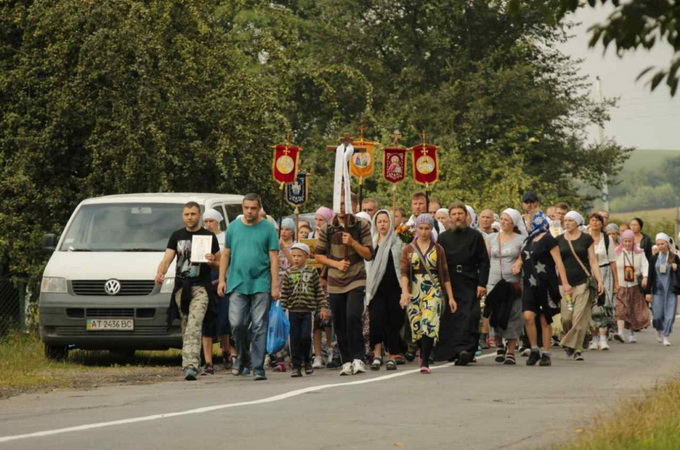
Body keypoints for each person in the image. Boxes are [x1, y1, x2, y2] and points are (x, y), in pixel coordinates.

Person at [217, 193, 280, 381]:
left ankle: (258, 366)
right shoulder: (234, 228)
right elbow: (226, 254)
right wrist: (222, 280)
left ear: (259, 208)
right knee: (237, 324)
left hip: (261, 282)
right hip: (237, 282)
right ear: (242, 208)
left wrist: (275, 285)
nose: (250, 211)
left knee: (259, 325)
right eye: (246, 208)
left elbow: (274, 258)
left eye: (253, 208)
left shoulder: (268, 228)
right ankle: (243, 357)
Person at [155, 202, 220, 381]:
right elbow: (167, 258)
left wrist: (212, 261)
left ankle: (190, 366)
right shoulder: (177, 235)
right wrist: (160, 271)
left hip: (201, 287)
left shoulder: (208, 236)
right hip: (182, 287)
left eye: (193, 214)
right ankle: (190, 363)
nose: (189, 217)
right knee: (185, 326)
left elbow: (220, 263)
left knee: (194, 324)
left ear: (199, 215)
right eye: (186, 214)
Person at [315, 192, 373, 376]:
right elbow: (318, 254)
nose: (341, 208)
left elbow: (369, 254)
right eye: (338, 204)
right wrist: (336, 263)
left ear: (353, 205)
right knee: (339, 321)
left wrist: (354, 243)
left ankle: (358, 357)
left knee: (352, 316)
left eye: (344, 204)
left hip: (356, 277)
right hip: (335, 280)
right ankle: (346, 360)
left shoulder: (361, 225)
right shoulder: (328, 228)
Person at [400, 214, 457, 374]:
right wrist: (404, 292)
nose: (424, 232)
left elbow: (445, 274)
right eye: (421, 228)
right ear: (416, 229)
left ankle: (425, 360)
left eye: (427, 228)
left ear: (431, 229)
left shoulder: (438, 249)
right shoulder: (408, 249)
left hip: (433, 288)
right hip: (414, 288)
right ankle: (422, 351)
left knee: (429, 322)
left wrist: (450, 297)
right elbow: (404, 272)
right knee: (416, 324)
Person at [435, 202, 490, 365]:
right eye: (454, 214)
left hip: (469, 280)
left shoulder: (475, 236)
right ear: (450, 217)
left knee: (469, 316)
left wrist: (482, 283)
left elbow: (484, 262)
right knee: (451, 317)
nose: (457, 217)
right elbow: (438, 262)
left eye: (460, 213)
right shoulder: (443, 237)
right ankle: (453, 351)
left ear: (466, 216)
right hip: (449, 281)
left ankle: (466, 350)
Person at [521, 211, 571, 367]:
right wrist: (517, 264)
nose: (531, 223)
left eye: (533, 221)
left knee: (544, 319)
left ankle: (546, 352)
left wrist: (565, 282)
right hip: (529, 283)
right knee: (528, 316)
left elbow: (559, 262)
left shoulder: (549, 239)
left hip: (546, 284)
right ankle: (534, 348)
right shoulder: (528, 240)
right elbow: (523, 257)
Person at [556, 211, 604, 361]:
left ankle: (576, 349)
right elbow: (556, 263)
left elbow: (593, 261)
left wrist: (599, 280)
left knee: (579, 317)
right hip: (564, 284)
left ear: (577, 222)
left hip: (582, 282)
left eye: (570, 220)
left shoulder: (586, 239)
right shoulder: (558, 240)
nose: (567, 223)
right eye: (566, 220)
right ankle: (571, 341)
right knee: (566, 318)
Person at [280, 242, 331, 377]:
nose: (296, 258)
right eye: (294, 256)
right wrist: (281, 310)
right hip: (293, 311)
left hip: (308, 311)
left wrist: (323, 307)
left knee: (305, 337)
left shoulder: (312, 272)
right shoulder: (288, 273)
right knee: (294, 338)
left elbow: (319, 292)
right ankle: (296, 366)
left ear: (307, 256)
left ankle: (307, 361)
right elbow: (284, 293)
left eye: (299, 256)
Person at [485, 209, 525, 365]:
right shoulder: (491, 238)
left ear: (513, 222)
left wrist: (519, 262)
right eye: (501, 219)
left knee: (513, 314)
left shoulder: (521, 239)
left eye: (507, 220)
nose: (503, 222)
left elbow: (525, 255)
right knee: (494, 313)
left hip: (512, 283)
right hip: (494, 281)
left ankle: (511, 351)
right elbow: (486, 258)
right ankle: (499, 344)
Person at [366, 210, 405, 370]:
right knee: (376, 320)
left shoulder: (397, 241)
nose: (382, 224)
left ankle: (392, 355)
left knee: (393, 322)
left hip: (395, 288)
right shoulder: (372, 243)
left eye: (385, 221)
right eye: (379, 221)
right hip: (376, 289)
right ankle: (376, 354)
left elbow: (402, 264)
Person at [200, 208, 237, 375]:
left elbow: (227, 259)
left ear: (218, 222)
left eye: (211, 221)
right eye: (206, 221)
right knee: (207, 322)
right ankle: (208, 361)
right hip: (205, 281)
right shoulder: (201, 238)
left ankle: (226, 350)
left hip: (223, 281)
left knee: (224, 320)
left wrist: (217, 261)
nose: (208, 224)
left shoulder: (225, 237)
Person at [587, 213, 619, 351]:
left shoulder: (607, 239)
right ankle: (594, 338)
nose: (594, 223)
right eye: (592, 220)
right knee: (592, 305)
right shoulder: (584, 238)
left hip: (605, 271)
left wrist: (616, 281)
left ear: (602, 223)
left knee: (604, 305)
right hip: (589, 274)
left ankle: (603, 338)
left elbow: (612, 260)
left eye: (597, 221)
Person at [612, 230, 649, 344]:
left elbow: (645, 265)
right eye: (625, 241)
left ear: (633, 241)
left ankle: (632, 333)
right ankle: (621, 333)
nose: (627, 243)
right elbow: (612, 267)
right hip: (621, 284)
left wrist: (645, 277)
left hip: (634, 285)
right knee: (620, 309)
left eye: (629, 241)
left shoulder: (639, 252)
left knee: (632, 309)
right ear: (622, 241)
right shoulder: (616, 253)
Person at [645, 233, 679, 346]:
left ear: (667, 244)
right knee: (658, 314)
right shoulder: (654, 258)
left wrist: (676, 268)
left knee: (670, 314)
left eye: (662, 244)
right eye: (658, 244)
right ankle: (659, 329)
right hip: (657, 290)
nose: (660, 246)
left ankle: (666, 335)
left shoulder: (674, 257)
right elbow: (650, 276)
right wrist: (648, 292)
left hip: (670, 290)